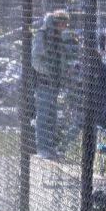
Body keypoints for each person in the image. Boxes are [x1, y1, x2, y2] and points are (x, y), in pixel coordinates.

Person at [31, 10, 71, 159]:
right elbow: (35, 59)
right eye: (64, 24)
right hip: (44, 82)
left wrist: (63, 71)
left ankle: (49, 148)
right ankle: (42, 148)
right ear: (58, 22)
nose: (66, 27)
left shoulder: (58, 37)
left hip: (55, 83)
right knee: (43, 115)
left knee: (51, 116)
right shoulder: (43, 35)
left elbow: (60, 58)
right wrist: (49, 72)